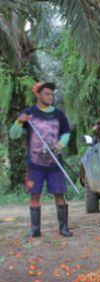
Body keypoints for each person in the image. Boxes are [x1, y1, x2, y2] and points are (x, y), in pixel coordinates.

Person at [9, 82, 73, 238]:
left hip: (54, 164)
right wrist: (19, 121)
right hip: (35, 164)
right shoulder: (29, 113)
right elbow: (14, 135)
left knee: (59, 194)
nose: (50, 96)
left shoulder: (59, 114)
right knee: (34, 195)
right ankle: (35, 229)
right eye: (47, 93)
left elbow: (66, 133)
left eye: (52, 94)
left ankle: (63, 228)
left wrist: (61, 144)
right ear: (38, 94)